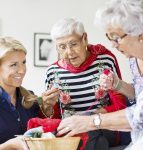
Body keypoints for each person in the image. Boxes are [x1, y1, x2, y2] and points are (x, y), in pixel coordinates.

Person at [57, 0, 143, 149]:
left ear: (140, 32)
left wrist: (91, 121)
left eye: (116, 37)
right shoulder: (134, 58)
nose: (113, 44)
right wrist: (118, 85)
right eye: (109, 37)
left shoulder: (109, 59)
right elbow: (141, 96)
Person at [41, 17, 127, 150]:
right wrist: (47, 106)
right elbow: (53, 116)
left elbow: (120, 103)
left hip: (102, 126)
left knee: (93, 137)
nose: (69, 52)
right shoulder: (52, 72)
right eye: (62, 47)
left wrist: (94, 117)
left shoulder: (105, 61)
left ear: (84, 39)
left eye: (73, 44)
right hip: (71, 133)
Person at [0, 37, 57, 149]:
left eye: (23, 62)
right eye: (13, 65)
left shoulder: (29, 98)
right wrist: (10, 145)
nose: (22, 70)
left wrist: (47, 107)